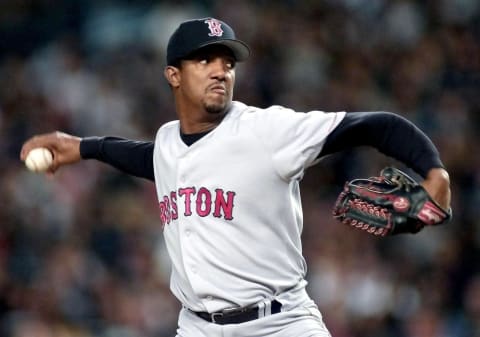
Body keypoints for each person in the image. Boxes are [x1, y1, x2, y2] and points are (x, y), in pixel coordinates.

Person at [20, 18, 451, 337]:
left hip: (281, 324)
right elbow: (145, 157)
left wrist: (435, 174)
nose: (219, 70)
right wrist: (82, 147)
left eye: (227, 62)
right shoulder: (169, 142)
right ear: (173, 74)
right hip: (196, 327)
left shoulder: (266, 131)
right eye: (204, 59)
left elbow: (377, 125)